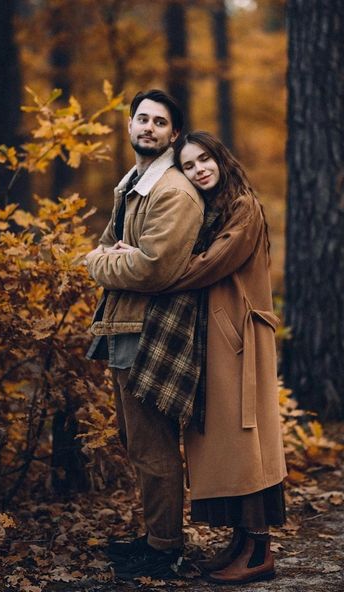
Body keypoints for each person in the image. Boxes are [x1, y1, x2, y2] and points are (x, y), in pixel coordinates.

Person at [117, 131, 288, 585]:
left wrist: (152, 272)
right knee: (226, 447)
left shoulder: (243, 207)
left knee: (246, 445)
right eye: (189, 166)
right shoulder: (213, 210)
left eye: (204, 159)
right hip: (217, 339)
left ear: (221, 158)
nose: (198, 170)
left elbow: (211, 264)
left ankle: (258, 553)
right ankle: (241, 543)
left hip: (241, 339)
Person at [85, 90, 204, 580]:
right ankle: (156, 536)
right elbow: (117, 251)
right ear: (129, 125)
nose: (148, 127)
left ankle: (166, 549)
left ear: (174, 134)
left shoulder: (172, 191)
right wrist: (115, 257)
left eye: (160, 121)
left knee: (152, 443)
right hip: (124, 322)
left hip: (151, 329)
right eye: (141, 118)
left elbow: (151, 267)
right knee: (136, 440)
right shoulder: (132, 182)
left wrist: (99, 261)